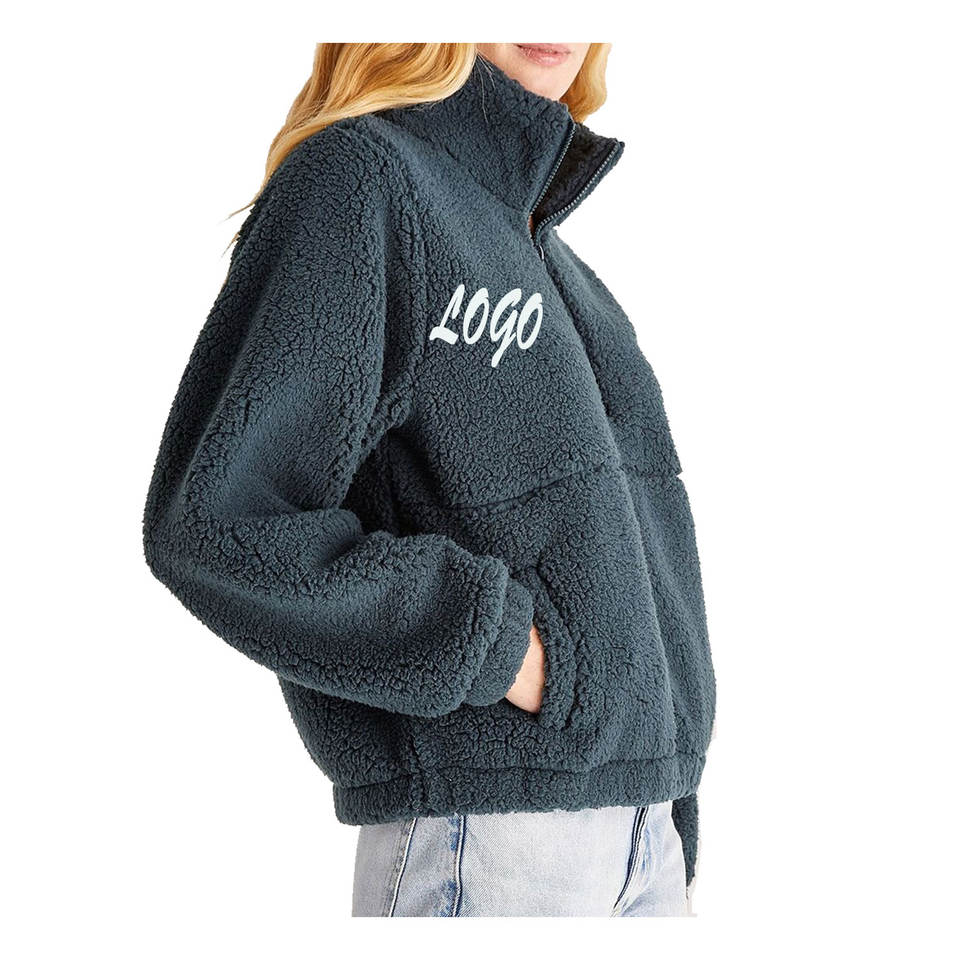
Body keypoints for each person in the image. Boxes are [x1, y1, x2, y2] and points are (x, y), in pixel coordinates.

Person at [142, 42, 716, 917]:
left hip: (645, 837)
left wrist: (665, 785)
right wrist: (494, 646)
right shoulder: (362, 178)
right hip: (490, 836)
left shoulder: (559, 266)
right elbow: (220, 521)